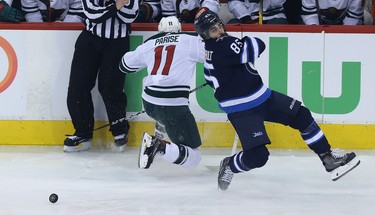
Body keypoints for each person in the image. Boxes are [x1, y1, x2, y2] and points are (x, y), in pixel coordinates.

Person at [194, 8, 361, 191]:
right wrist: (245, 42)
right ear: (205, 35)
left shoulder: (210, 51)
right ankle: (229, 165)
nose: (220, 31)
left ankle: (328, 158)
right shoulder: (224, 44)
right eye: (213, 30)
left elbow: (211, 81)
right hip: (243, 111)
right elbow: (258, 46)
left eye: (219, 25)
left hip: (262, 97)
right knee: (258, 157)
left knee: (302, 115)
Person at [119, 16, 205, 169]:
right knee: (194, 157)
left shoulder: (149, 44)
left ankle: (160, 131)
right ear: (179, 29)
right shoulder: (191, 40)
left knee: (162, 114)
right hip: (173, 107)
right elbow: (218, 54)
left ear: (160, 29)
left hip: (149, 103)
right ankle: (159, 146)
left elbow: (124, 65)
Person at [64, 0, 138, 153]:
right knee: (78, 86)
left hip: (118, 43)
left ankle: (120, 130)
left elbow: (130, 15)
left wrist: (111, 8)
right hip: (90, 40)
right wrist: (116, 5)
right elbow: (92, 14)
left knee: (111, 88)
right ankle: (83, 132)